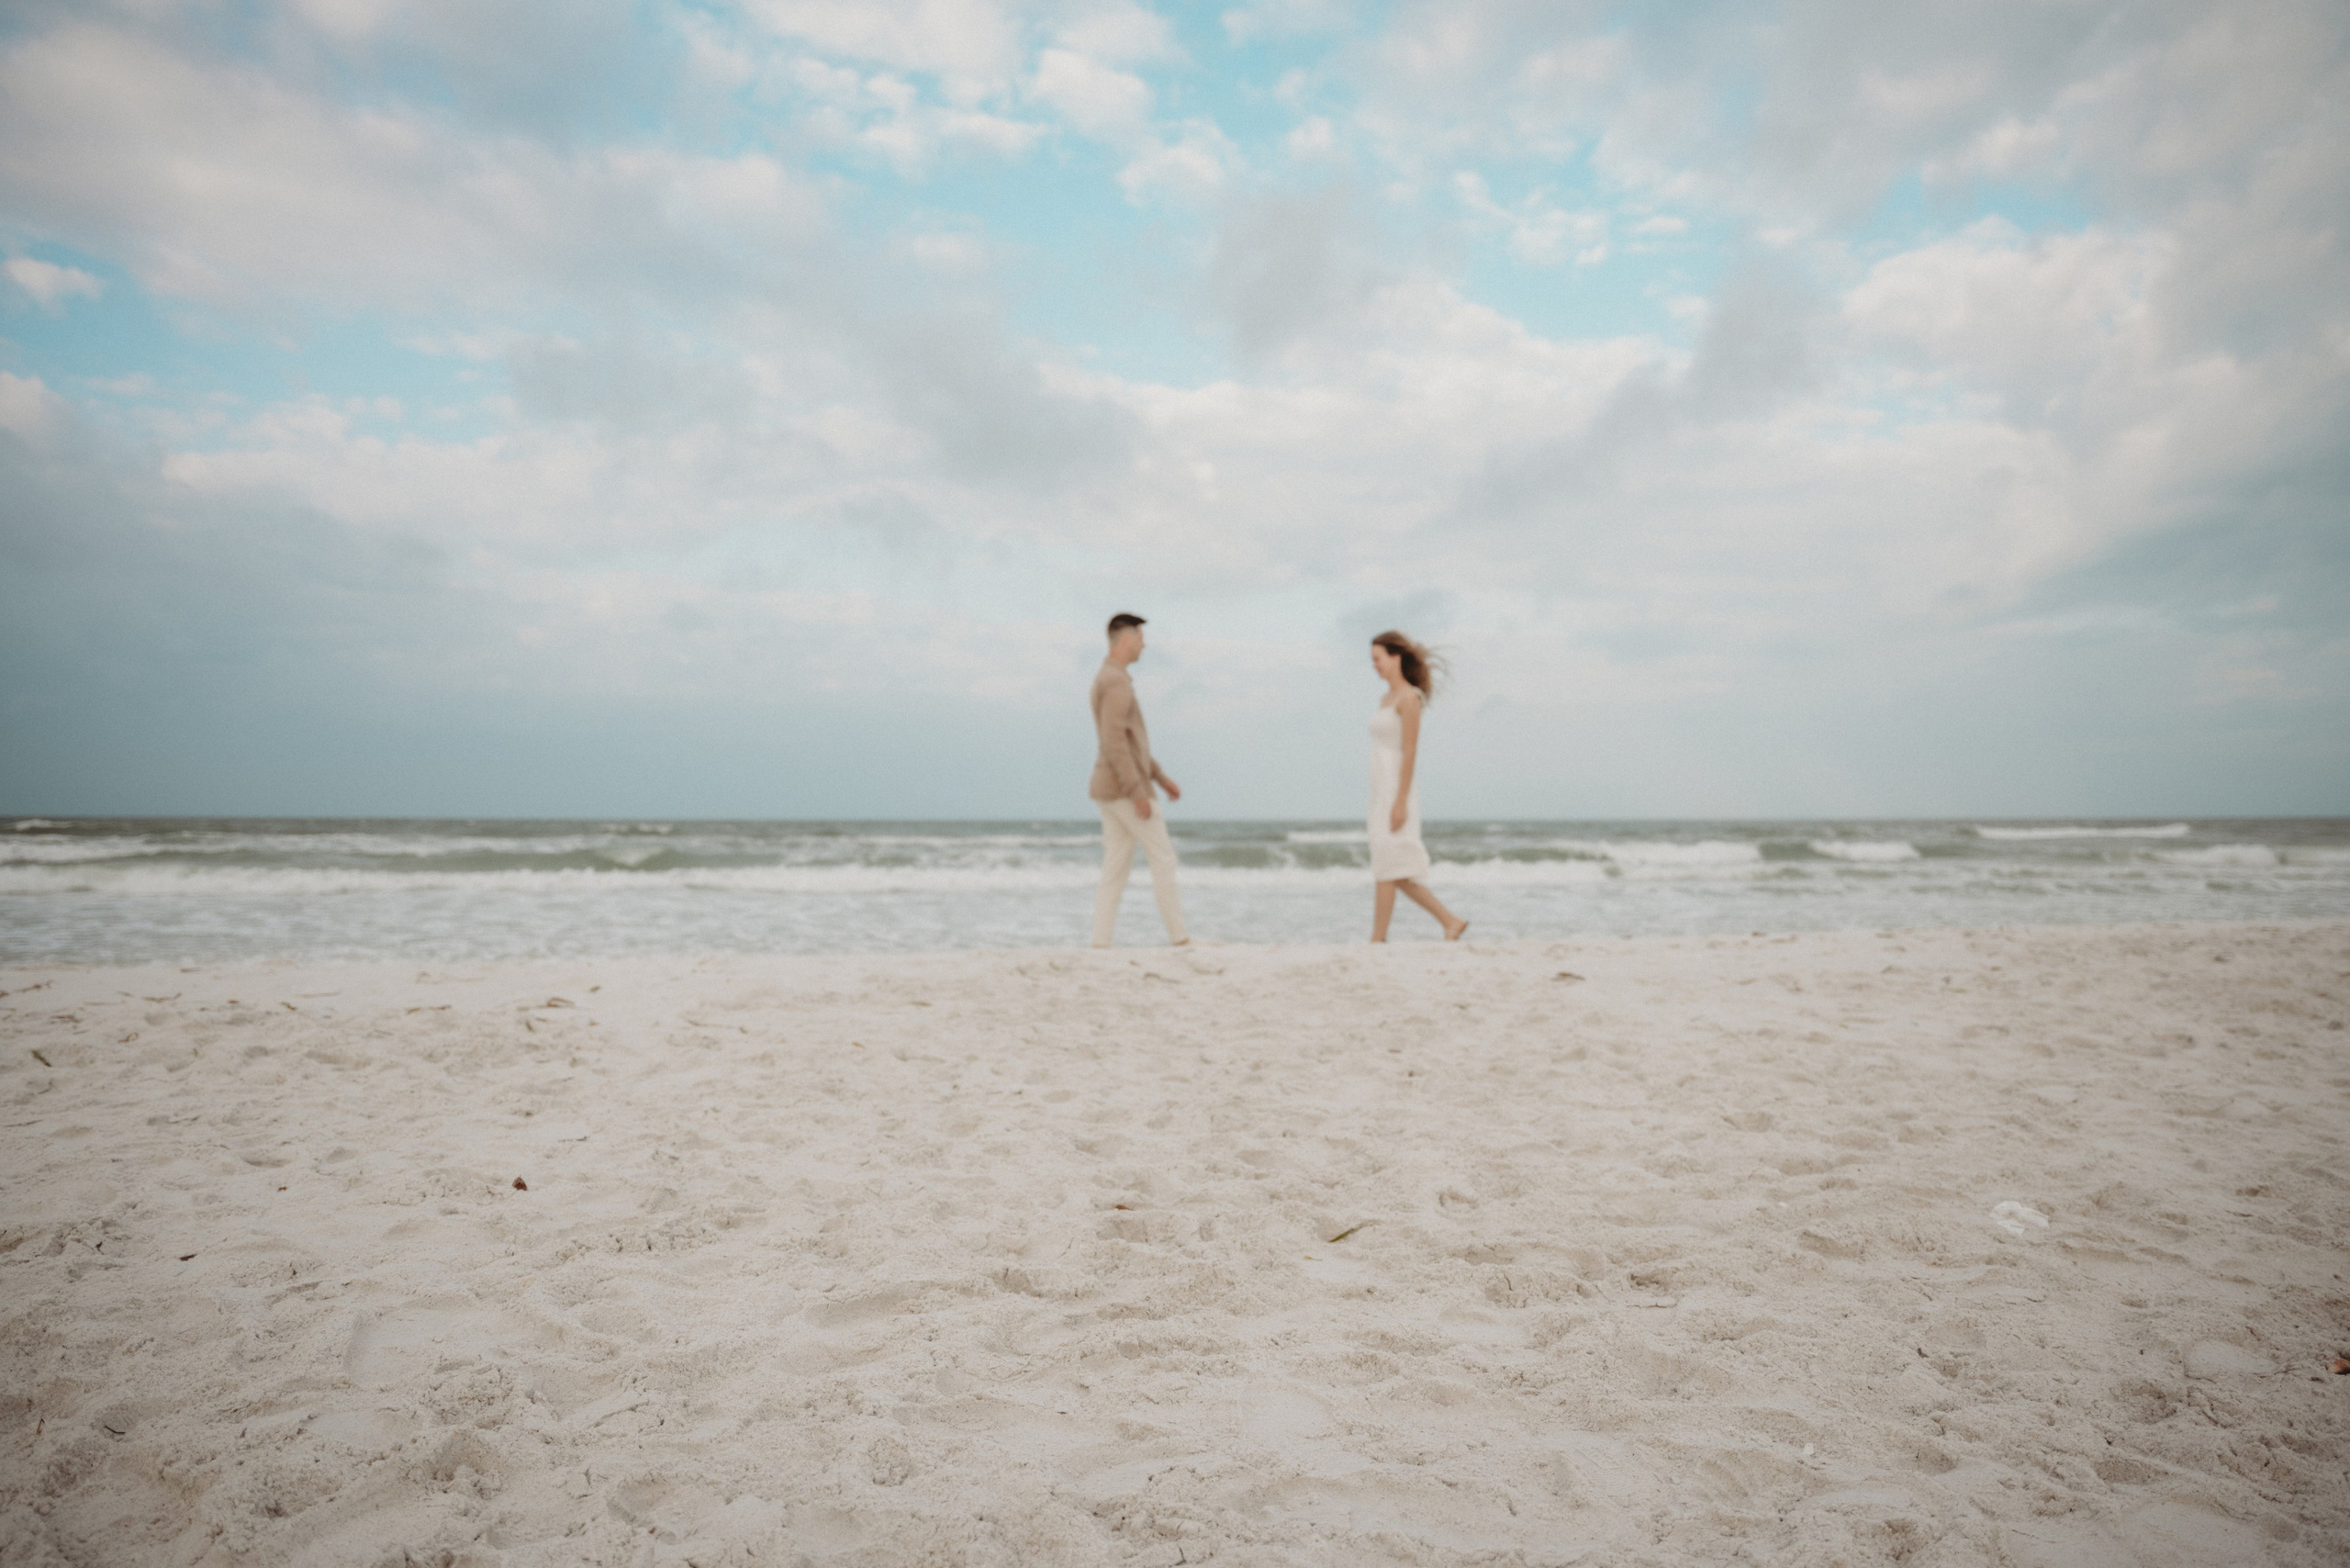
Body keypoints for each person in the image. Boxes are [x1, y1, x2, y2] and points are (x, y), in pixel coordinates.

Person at [1089, 613, 1191, 948]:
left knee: (1115, 866)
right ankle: (1179, 938)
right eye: (1141, 639)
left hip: (1109, 786)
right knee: (1163, 858)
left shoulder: (1110, 677)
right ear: (1127, 639)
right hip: (1122, 789)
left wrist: (1160, 778)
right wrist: (1138, 791)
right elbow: (1114, 740)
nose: (1145, 645)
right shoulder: (1115, 682)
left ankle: (1100, 942)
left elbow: (1130, 741)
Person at [1368, 630, 1468, 943]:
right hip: (1380, 789)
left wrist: (1400, 802)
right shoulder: (1385, 698)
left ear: (1396, 657)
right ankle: (1448, 921)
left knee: (1391, 865)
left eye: (1378, 659)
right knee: (1389, 864)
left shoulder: (1409, 698)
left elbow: (1410, 751)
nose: (1375, 666)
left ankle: (1379, 938)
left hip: (1398, 789)